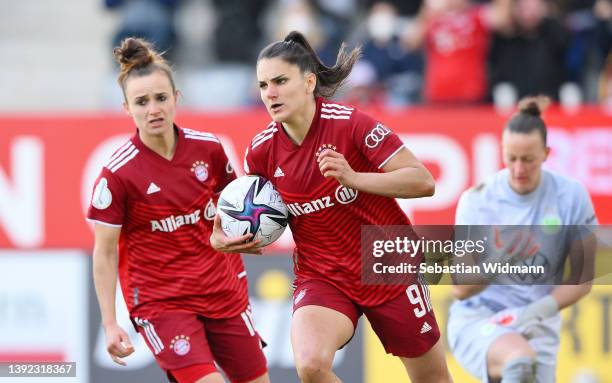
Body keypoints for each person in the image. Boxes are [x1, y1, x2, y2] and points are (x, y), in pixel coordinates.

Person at [211, 31, 453, 382]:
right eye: (264, 85)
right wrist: (228, 240)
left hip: (386, 263)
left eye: (280, 81)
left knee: (433, 379)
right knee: (311, 365)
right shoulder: (261, 152)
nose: (271, 93)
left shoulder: (352, 125)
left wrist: (354, 178)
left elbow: (423, 181)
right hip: (323, 275)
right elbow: (255, 215)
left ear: (309, 82)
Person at [87, 37, 269, 383]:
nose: (153, 109)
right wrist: (110, 323)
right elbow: (105, 252)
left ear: (176, 99)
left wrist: (242, 237)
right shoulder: (118, 174)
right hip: (163, 303)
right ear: (127, 108)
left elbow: (235, 208)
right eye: (141, 102)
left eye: (160, 98)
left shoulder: (209, 148)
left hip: (222, 291)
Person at [447, 96, 598, 382]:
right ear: (502, 151)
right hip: (480, 317)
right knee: (519, 361)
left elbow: (582, 279)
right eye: (511, 158)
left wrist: (536, 311)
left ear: (546, 153)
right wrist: (500, 260)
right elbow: (460, 288)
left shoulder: (571, 197)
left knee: (525, 362)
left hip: (538, 321)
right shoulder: (478, 200)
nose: (518, 169)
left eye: (528, 160)